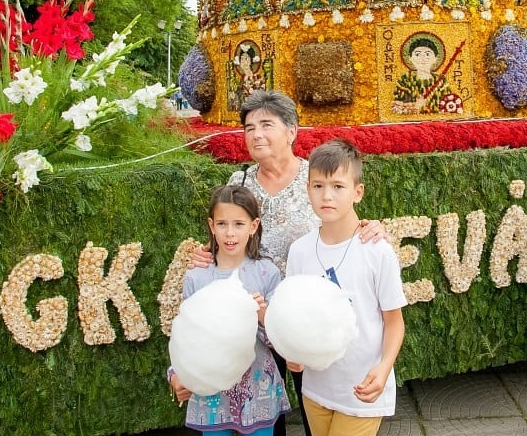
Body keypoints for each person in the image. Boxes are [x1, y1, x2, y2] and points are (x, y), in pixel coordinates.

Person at [191, 89, 385, 436]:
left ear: (292, 131)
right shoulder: (241, 181)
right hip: (256, 318)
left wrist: (374, 227)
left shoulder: (316, 178)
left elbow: (344, 219)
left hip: (308, 318)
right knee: (264, 413)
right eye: (249, 128)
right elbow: (228, 232)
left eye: (267, 124)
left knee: (317, 407)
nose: (257, 134)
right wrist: (206, 254)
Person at [285, 140, 406, 436]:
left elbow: (394, 322)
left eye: (338, 186)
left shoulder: (376, 250)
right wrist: (293, 352)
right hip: (316, 388)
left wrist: (384, 366)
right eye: (318, 186)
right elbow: (295, 317)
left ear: (357, 192)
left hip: (362, 388)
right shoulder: (299, 251)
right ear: (308, 189)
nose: (327, 196)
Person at [168, 184, 291, 435]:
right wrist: (176, 374)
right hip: (212, 394)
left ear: (253, 226)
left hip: (258, 391)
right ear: (212, 226)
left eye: (238, 224)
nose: (230, 233)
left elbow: (282, 341)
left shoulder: (267, 273)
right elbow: (184, 337)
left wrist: (262, 314)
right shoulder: (198, 276)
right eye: (222, 224)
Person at [391, 35, 451, 114]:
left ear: (435, 58)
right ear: (410, 58)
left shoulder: (442, 81)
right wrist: (415, 106)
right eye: (417, 54)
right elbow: (395, 108)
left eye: (427, 54)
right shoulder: (404, 80)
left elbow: (448, 106)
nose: (422, 58)